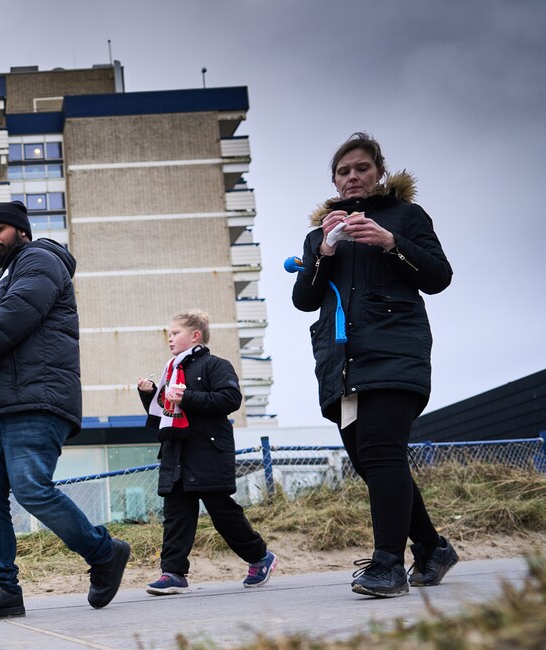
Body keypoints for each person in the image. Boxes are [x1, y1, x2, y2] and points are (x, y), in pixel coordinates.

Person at [0, 201, 130, 622]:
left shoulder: (40, 260)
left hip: (33, 397)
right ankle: (3, 588)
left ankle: (104, 552)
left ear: (22, 231)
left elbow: (13, 320)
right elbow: (5, 332)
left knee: (30, 488)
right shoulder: (7, 277)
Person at [292, 132, 459, 598]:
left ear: (379, 172)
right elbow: (304, 299)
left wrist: (390, 242)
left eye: (362, 168)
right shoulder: (320, 234)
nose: (353, 177)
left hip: (395, 352)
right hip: (342, 364)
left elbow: (439, 277)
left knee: (383, 453)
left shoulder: (406, 217)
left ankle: (388, 565)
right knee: (371, 462)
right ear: (334, 180)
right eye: (343, 171)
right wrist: (323, 252)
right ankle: (432, 548)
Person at [136, 312, 276, 594]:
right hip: (176, 453)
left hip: (208, 452)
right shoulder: (170, 371)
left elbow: (231, 399)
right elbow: (163, 415)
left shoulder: (216, 365)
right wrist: (149, 394)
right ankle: (173, 574)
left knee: (223, 513)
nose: (169, 338)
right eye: (169, 333)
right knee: (176, 516)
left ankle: (260, 557)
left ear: (195, 336)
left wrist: (186, 396)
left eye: (175, 333)